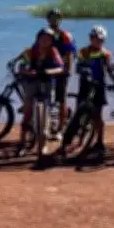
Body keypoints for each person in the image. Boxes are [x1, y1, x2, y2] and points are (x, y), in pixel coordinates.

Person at [15, 28, 64, 156]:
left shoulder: (53, 51)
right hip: (31, 83)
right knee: (27, 113)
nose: (45, 41)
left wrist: (47, 72)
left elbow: (60, 67)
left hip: (47, 83)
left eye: (48, 39)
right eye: (43, 38)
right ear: (37, 38)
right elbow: (21, 66)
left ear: (52, 41)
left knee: (47, 113)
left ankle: (43, 145)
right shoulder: (30, 51)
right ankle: (22, 143)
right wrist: (27, 71)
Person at [76, 25, 114, 153]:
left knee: (98, 115)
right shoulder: (83, 52)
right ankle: (78, 139)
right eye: (95, 39)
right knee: (80, 113)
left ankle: (100, 142)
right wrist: (84, 71)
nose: (98, 42)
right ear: (90, 38)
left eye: (101, 40)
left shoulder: (105, 54)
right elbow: (77, 67)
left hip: (99, 86)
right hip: (85, 85)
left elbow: (109, 70)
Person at [45, 8, 77, 140]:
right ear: (48, 19)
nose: (54, 20)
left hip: (62, 70)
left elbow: (70, 54)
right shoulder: (45, 34)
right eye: (52, 17)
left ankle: (61, 128)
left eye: (57, 18)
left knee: (61, 98)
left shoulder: (65, 35)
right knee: (46, 97)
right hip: (48, 69)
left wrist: (67, 70)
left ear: (60, 20)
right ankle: (45, 125)